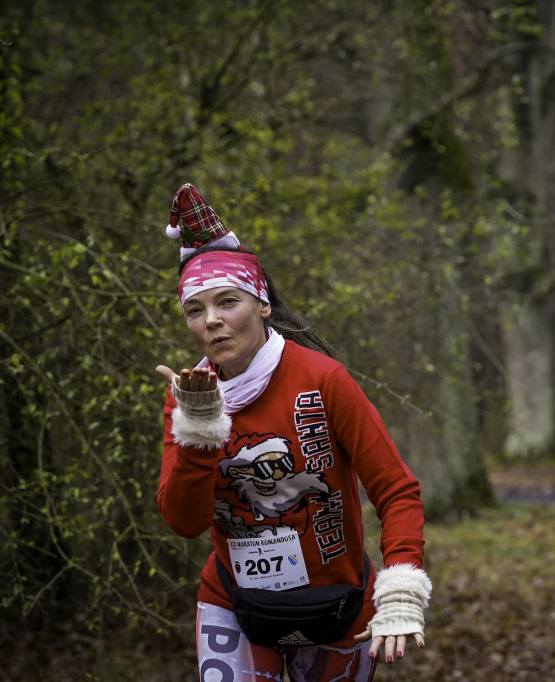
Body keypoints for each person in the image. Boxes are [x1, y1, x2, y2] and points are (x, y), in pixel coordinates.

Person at [155, 183, 431, 681]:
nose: (212, 321)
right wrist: (198, 427)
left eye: (227, 302)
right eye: (195, 310)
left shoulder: (322, 379)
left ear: (261, 305)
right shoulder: (188, 393)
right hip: (234, 601)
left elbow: (396, 489)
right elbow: (184, 521)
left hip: (338, 601)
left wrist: (401, 589)